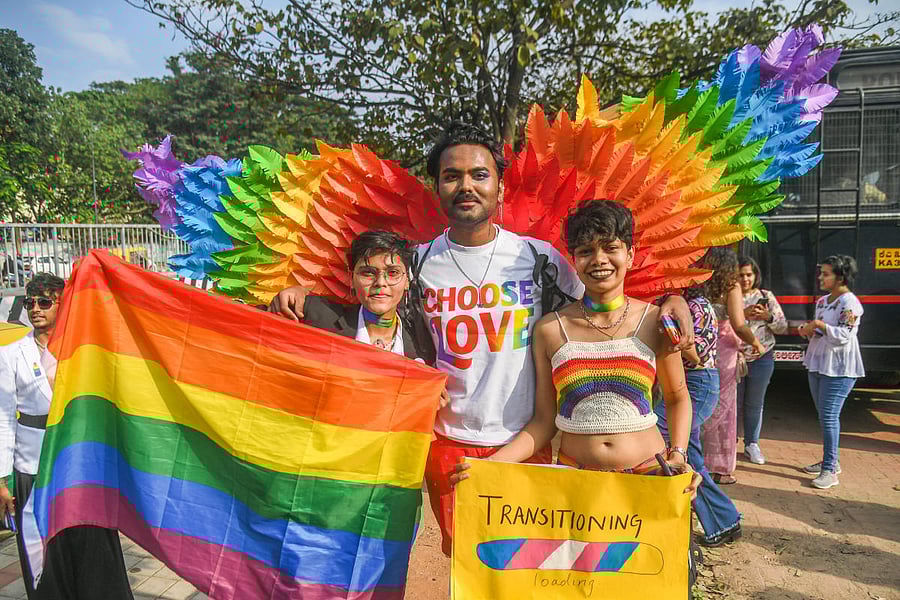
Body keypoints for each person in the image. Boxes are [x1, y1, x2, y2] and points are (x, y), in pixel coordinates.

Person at [270, 123, 695, 556]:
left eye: (479, 174)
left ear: (499, 187)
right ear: (437, 187)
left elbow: (602, 297)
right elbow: (366, 302)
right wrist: (304, 294)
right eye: (452, 176)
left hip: (530, 442)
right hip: (448, 443)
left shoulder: (539, 258)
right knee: (471, 567)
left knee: (534, 568)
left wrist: (672, 298)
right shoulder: (414, 264)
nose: (466, 185)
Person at [451, 200, 700, 501]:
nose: (599, 259)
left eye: (611, 247)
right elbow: (544, 421)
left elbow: (677, 397)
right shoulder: (550, 330)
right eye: (586, 251)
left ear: (630, 255)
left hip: (649, 474)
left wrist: (679, 454)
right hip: (576, 481)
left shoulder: (655, 322)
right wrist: (491, 465)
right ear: (574, 260)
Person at [0, 273, 133, 599]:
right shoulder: (11, 354)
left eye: (44, 301)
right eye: (30, 302)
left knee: (91, 549)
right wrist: (2, 478)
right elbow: (4, 419)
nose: (35, 309)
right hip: (33, 468)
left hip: (80, 469)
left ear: (64, 304)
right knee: (44, 552)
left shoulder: (84, 351)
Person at [654, 277, 743, 547]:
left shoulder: (698, 307)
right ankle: (724, 521)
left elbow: (697, 356)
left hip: (697, 384)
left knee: (659, 434)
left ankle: (722, 520)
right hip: (687, 383)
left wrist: (671, 335)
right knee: (689, 458)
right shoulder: (685, 305)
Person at [301, 230, 432, 361]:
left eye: (393, 272)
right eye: (368, 273)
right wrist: (296, 293)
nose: (380, 283)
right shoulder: (315, 316)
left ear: (407, 281)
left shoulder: (425, 342)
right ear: (351, 279)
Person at [699, 249, 766, 485]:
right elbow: (738, 324)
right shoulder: (731, 287)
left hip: (702, 346)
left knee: (702, 399)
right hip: (724, 347)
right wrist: (756, 342)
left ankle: (698, 461)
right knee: (725, 408)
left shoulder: (699, 284)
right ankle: (720, 467)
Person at [798, 255, 864, 489]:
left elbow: (845, 335)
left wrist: (819, 326)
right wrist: (808, 329)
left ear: (840, 277)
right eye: (821, 273)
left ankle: (829, 470)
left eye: (826, 274)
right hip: (818, 363)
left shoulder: (850, 303)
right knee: (824, 416)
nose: (821, 278)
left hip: (839, 369)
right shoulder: (823, 301)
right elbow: (821, 331)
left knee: (829, 417)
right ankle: (830, 461)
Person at [736, 256, 787, 465]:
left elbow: (783, 327)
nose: (746, 279)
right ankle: (729, 444)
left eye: (749, 274)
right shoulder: (729, 296)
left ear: (755, 275)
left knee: (754, 404)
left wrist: (768, 317)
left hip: (761, 358)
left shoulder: (766, 296)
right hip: (735, 358)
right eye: (741, 275)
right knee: (733, 404)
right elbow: (721, 324)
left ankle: (752, 444)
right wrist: (743, 314)